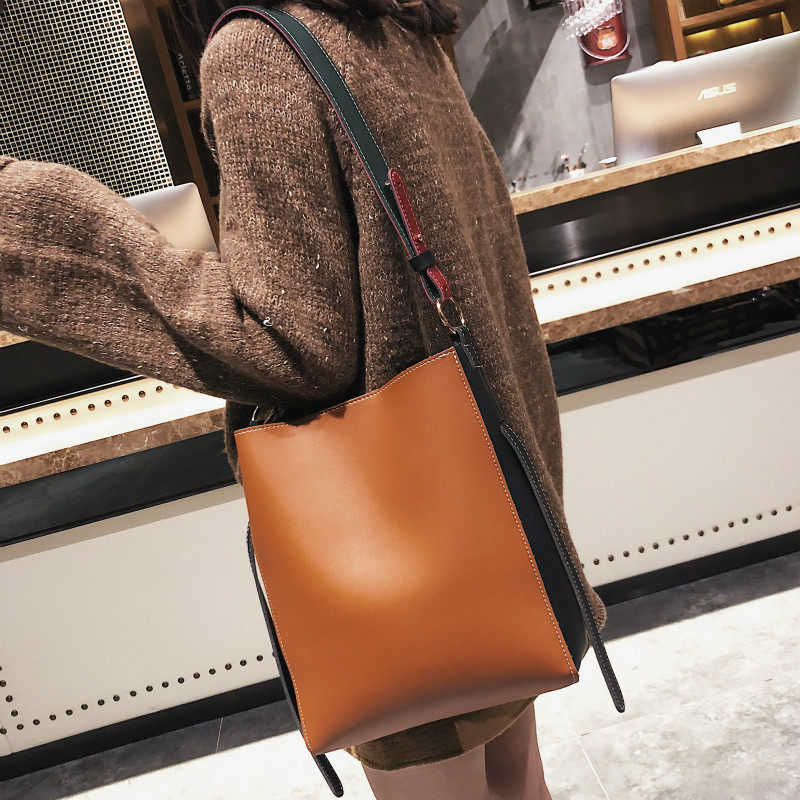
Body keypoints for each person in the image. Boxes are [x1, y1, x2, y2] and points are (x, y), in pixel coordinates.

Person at [0, 0, 607, 796]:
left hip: (403, 541)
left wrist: (35, 224)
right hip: (491, 509)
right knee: (518, 782)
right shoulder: (397, 26)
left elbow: (290, 341)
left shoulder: (258, 52)